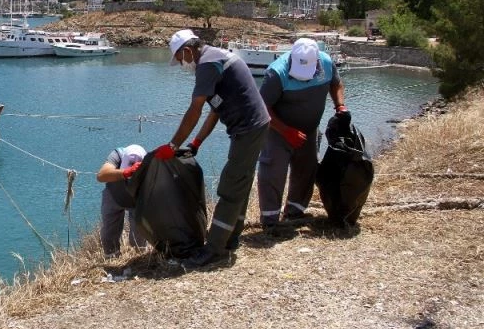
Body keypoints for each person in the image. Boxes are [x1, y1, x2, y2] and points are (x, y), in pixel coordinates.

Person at [154, 30, 270, 269]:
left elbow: (195, 109)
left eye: (180, 58)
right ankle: (231, 237)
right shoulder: (215, 57)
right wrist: (196, 143)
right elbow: (216, 110)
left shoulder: (207, 64)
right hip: (253, 126)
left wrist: (173, 145)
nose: (182, 64)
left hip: (248, 129)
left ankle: (215, 250)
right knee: (241, 184)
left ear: (188, 50)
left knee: (230, 187)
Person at [256, 37, 348, 235]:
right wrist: (286, 131)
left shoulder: (326, 63)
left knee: (307, 169)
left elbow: (336, 84)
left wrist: (340, 105)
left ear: (317, 62)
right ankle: (270, 221)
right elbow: (262, 108)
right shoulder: (276, 73)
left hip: (309, 130)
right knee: (273, 172)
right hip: (277, 132)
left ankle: (295, 212)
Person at [96, 144, 148, 258]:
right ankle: (111, 256)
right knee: (109, 234)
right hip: (114, 195)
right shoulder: (117, 155)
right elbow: (101, 176)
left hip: (136, 201)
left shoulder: (149, 161)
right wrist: (126, 172)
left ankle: (142, 259)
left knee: (138, 237)